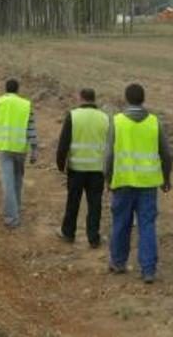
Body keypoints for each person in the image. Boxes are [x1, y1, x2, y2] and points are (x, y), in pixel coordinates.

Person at [105, 83, 172, 284]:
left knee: (121, 223)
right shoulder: (154, 122)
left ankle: (118, 262)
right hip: (148, 184)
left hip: (123, 183)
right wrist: (166, 177)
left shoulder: (117, 122)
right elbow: (166, 154)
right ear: (143, 99)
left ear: (126, 99)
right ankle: (148, 270)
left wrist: (108, 178)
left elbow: (109, 155)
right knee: (147, 225)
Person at [55, 88, 109, 248]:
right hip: (97, 169)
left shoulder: (73, 115)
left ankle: (68, 233)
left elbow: (63, 143)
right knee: (95, 204)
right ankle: (93, 237)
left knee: (73, 201)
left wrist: (60, 164)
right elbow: (110, 144)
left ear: (81, 98)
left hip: (76, 168)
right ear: (94, 99)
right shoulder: (105, 118)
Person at [0, 79, 39, 228]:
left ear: (5, 89)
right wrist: (34, 149)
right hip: (21, 149)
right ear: (18, 90)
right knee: (17, 180)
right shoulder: (25, 105)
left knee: (8, 182)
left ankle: (11, 218)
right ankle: (16, 208)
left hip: (4, 148)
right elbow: (31, 128)